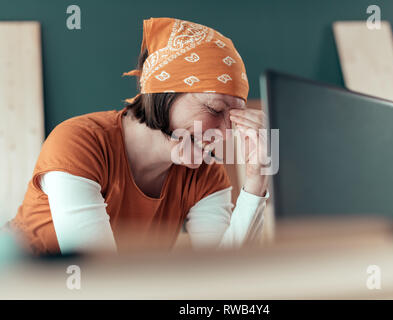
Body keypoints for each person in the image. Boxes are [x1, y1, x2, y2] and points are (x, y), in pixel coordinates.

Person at [6, 17, 269, 255]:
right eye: (214, 109)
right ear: (163, 93)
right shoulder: (80, 143)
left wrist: (256, 183)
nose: (224, 134)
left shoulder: (204, 172)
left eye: (234, 118)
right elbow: (98, 275)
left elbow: (223, 274)